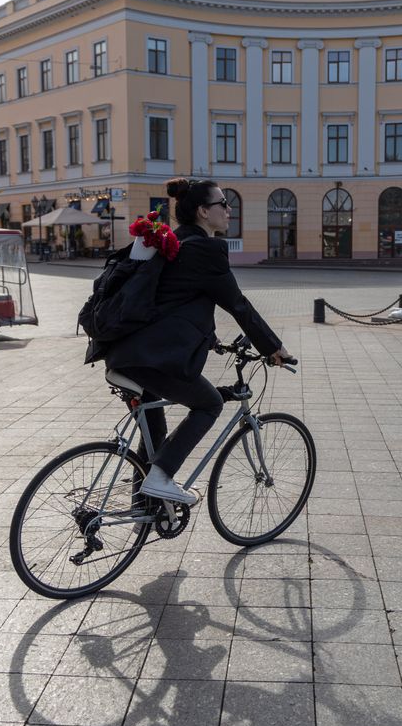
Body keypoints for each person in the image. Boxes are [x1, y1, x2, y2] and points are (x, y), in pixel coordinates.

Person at [104, 178, 293, 503]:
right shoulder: (205, 250)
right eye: (223, 203)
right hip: (151, 359)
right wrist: (275, 348)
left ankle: (143, 512)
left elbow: (175, 303)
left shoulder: (176, 243)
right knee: (209, 403)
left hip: (123, 353)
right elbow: (238, 304)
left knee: (155, 434)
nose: (229, 209)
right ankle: (161, 478)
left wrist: (211, 340)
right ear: (204, 211)